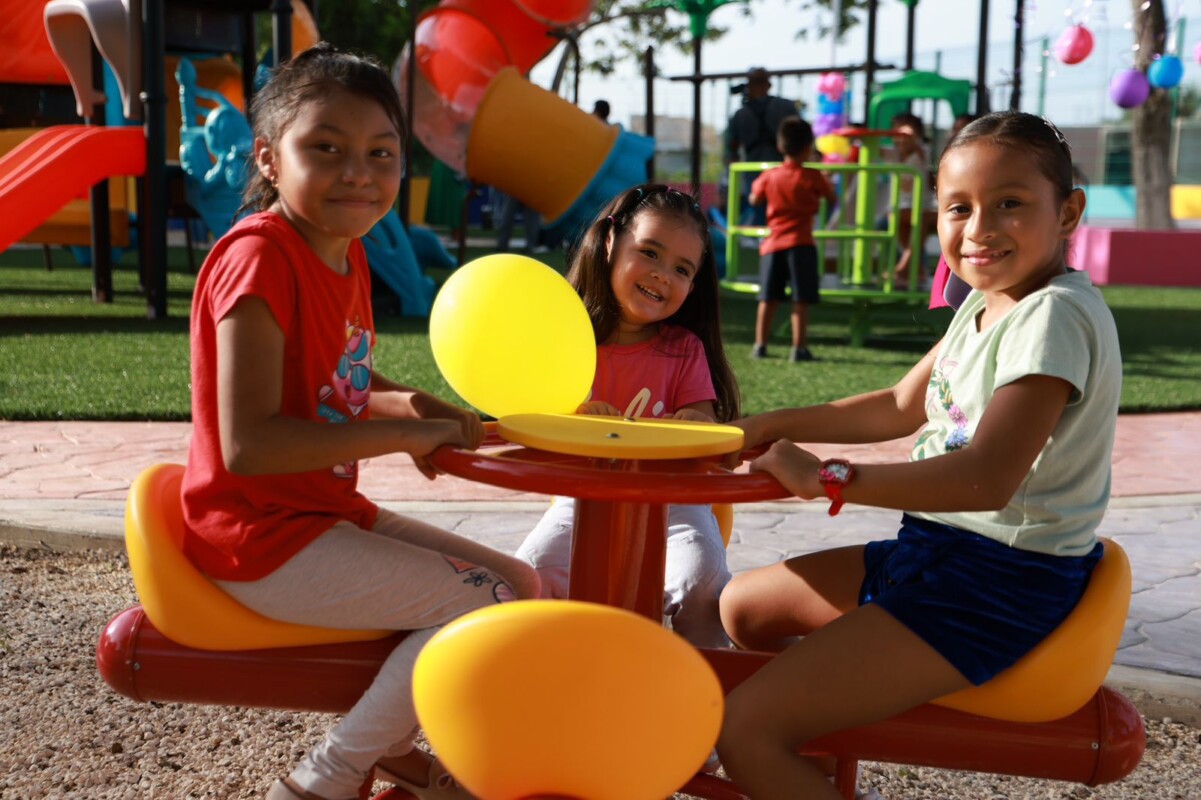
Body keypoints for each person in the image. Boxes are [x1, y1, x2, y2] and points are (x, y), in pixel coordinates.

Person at [715, 110, 1120, 799]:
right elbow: (899, 403)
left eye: (1009, 204)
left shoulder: (1052, 315)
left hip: (997, 585)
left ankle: (784, 745)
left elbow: (985, 479)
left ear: (1067, 213)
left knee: (744, 731)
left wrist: (825, 478)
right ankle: (814, 760)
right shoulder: (985, 303)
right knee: (744, 609)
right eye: (958, 208)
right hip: (934, 552)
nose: (979, 229)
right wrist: (764, 423)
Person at [181, 44, 540, 800]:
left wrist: (408, 404)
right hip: (259, 538)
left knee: (520, 581)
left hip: (317, 513)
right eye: (326, 148)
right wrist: (402, 437)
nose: (358, 172)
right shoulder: (259, 257)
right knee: (488, 600)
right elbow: (249, 443)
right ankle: (326, 779)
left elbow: (331, 379)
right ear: (268, 158)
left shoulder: (344, 254)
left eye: (381, 152)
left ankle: (396, 752)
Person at [515, 184, 741, 648]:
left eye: (681, 269)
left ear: (693, 285)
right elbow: (536, 422)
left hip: (673, 505)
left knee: (702, 584)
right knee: (527, 578)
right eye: (650, 253)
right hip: (581, 503)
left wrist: (692, 424)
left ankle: (702, 678)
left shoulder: (683, 349)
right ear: (610, 243)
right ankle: (544, 671)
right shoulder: (570, 343)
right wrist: (576, 419)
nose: (662, 275)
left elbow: (704, 426)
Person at [748, 117, 836, 362]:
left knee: (767, 297)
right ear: (808, 147)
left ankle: (760, 345)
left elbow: (754, 199)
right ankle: (798, 348)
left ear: (780, 146)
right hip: (801, 244)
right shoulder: (813, 176)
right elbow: (831, 198)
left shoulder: (770, 175)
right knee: (801, 299)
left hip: (773, 244)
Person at [727, 67, 800, 225]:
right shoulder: (786, 107)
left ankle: (764, 238)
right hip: (784, 172)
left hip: (753, 174)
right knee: (786, 217)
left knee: (760, 217)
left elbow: (731, 149)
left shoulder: (740, 115)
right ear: (769, 85)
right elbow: (801, 136)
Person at [887, 112, 938, 286]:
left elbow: (920, 153)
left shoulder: (923, 151)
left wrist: (911, 140)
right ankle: (918, 269)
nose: (902, 137)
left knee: (918, 219)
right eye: (897, 132)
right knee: (897, 218)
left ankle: (903, 267)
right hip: (903, 207)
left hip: (924, 207)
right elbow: (874, 150)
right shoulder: (893, 153)